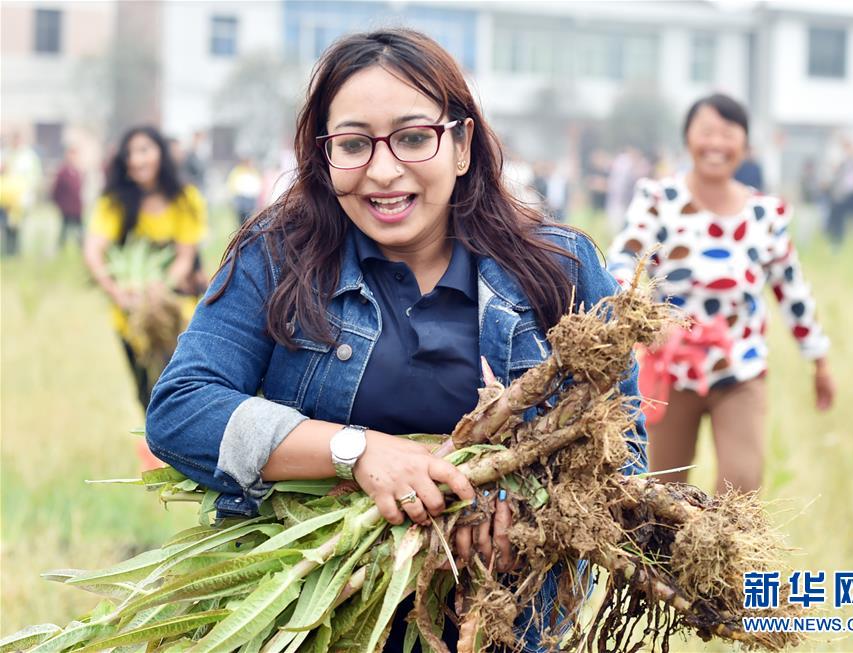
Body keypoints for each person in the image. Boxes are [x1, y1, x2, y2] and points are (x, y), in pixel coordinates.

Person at [146, 29, 646, 652]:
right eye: (353, 145)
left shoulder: (560, 268)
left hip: (501, 625)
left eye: (414, 138)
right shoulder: (275, 258)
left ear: (461, 145)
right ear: (325, 158)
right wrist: (356, 453)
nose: (383, 171)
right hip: (311, 622)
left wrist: (526, 513)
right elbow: (181, 408)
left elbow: (621, 456)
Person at [608, 93, 835, 494]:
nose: (716, 144)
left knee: (741, 488)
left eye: (728, 134)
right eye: (706, 132)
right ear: (687, 139)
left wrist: (818, 360)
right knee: (661, 493)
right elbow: (623, 258)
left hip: (739, 370)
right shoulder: (660, 201)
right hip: (671, 370)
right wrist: (637, 314)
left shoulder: (764, 215)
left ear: (745, 147)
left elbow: (791, 289)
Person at [83, 126, 208, 414]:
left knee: (177, 385)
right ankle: (151, 452)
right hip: (129, 312)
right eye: (130, 153)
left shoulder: (185, 198)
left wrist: (160, 288)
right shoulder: (113, 202)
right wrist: (117, 292)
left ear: (161, 154)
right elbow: (94, 251)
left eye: (144, 150)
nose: (136, 160)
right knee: (145, 390)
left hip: (172, 308)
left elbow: (185, 256)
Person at [51, 145, 84, 249]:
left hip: (76, 207)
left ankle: (82, 247)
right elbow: (56, 190)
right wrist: (59, 204)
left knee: (80, 229)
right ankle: (60, 247)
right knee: (64, 230)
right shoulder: (63, 172)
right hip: (66, 207)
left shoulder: (77, 172)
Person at [226, 156, 263, 225]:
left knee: (249, 218)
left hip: (250, 199)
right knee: (241, 218)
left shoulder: (253, 172)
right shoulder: (237, 171)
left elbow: (258, 185)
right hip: (240, 198)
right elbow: (232, 184)